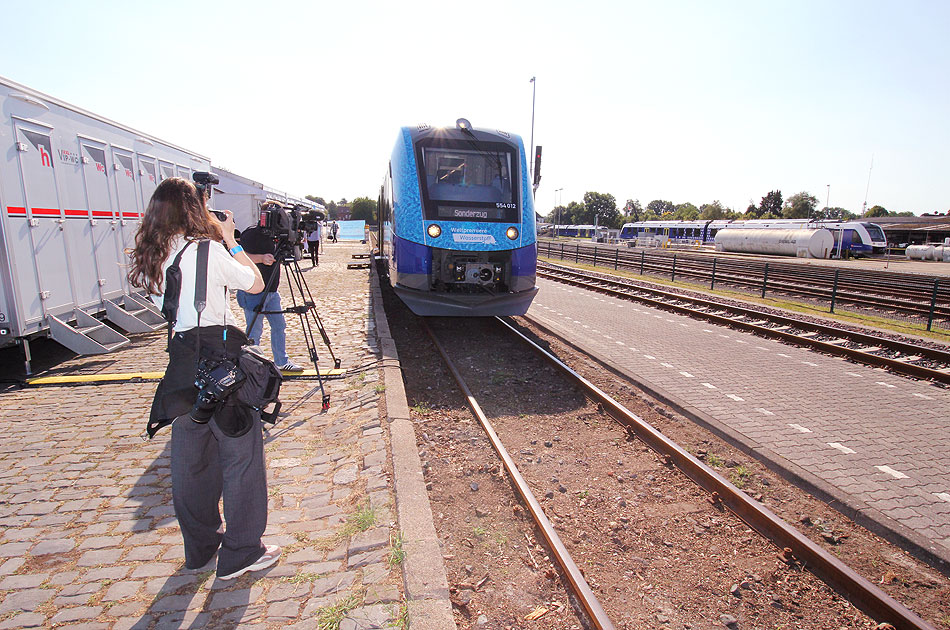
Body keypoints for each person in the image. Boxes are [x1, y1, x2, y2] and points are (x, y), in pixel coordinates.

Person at [127, 177, 281, 581]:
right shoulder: (209, 250)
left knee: (191, 464)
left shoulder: (155, 253)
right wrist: (231, 239)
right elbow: (255, 283)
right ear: (195, 209)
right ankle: (242, 552)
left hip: (181, 365)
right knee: (241, 460)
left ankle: (200, 548)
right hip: (219, 362)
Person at [236, 208, 304, 372]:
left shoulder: (278, 236)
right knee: (254, 330)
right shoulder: (252, 234)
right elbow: (237, 256)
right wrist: (260, 258)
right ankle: (251, 366)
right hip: (252, 291)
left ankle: (281, 360)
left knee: (279, 325)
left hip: (272, 291)